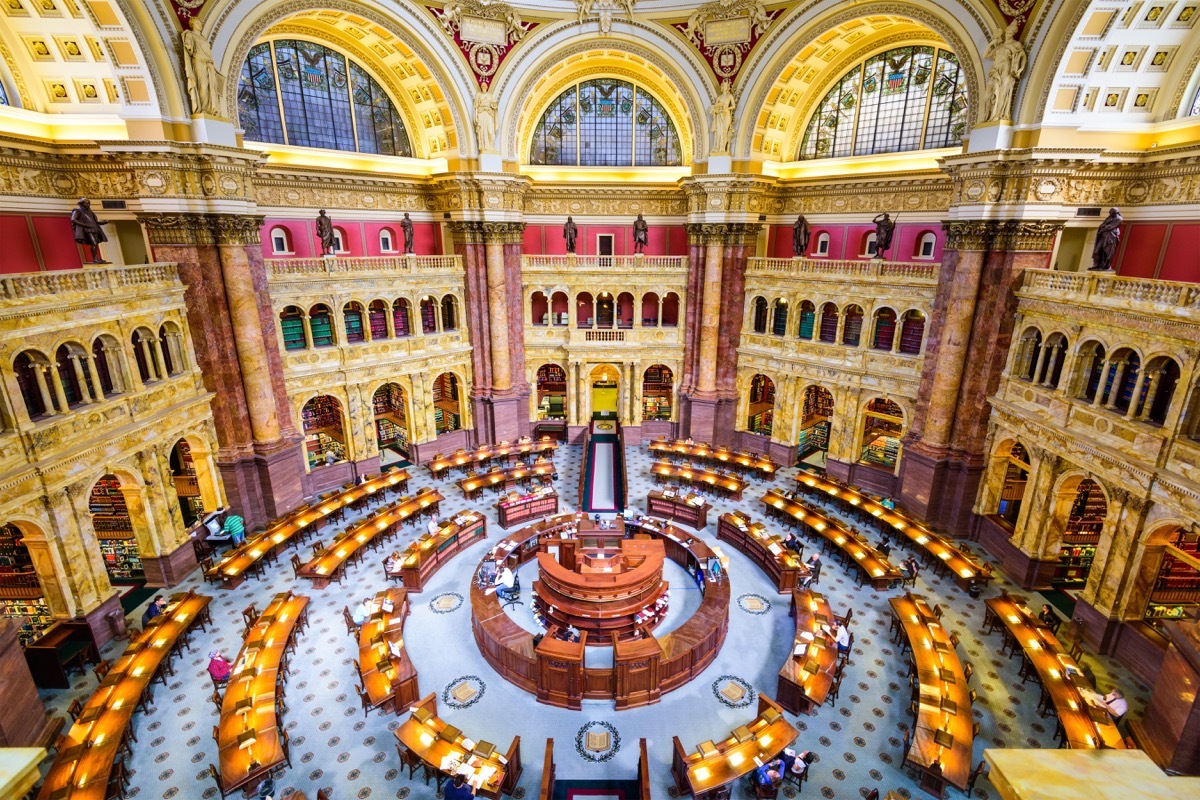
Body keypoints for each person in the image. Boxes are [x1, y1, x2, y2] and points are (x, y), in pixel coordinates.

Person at [981, 19, 1026, 122]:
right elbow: (985, 55)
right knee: (987, 96)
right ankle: (988, 116)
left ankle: (998, 115)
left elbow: (1023, 56)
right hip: (995, 71)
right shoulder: (999, 46)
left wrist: (1020, 70)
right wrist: (993, 42)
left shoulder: (1016, 45)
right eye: (1007, 32)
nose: (1008, 34)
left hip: (1006, 70)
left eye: (1010, 33)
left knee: (1002, 92)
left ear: (1013, 33)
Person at [181, 17, 222, 115]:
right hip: (198, 61)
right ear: (192, 24)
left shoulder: (203, 38)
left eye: (200, 23)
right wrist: (188, 45)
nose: (200, 25)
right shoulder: (190, 34)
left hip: (208, 63)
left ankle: (210, 109)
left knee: (210, 86)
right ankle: (203, 108)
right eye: (198, 23)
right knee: (202, 85)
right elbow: (188, 44)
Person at [70, 198, 109, 263]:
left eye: (89, 203)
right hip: (87, 229)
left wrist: (103, 222)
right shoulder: (77, 211)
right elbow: (73, 219)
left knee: (96, 244)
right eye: (86, 203)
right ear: (81, 204)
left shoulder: (90, 212)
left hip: (95, 228)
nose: (88, 204)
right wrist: (84, 225)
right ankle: (95, 258)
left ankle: (96, 258)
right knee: (93, 243)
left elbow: (95, 222)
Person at [710, 80, 735, 154]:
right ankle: (716, 147)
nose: (725, 87)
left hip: (726, 114)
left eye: (726, 86)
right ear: (722, 87)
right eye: (723, 86)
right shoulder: (719, 97)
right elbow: (715, 106)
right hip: (719, 115)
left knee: (724, 131)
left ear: (728, 87)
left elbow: (733, 105)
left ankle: (722, 148)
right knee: (719, 132)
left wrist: (727, 108)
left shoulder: (730, 96)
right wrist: (716, 110)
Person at [474, 83, 498, 152]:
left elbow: (494, 105)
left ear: (487, 87)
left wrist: (494, 106)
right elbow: (476, 106)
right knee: (482, 130)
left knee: (490, 130)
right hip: (481, 113)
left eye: (485, 86)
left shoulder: (490, 96)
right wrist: (476, 117)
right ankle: (484, 146)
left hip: (488, 113)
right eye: (482, 86)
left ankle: (490, 146)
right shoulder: (479, 95)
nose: (483, 87)